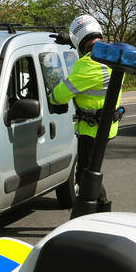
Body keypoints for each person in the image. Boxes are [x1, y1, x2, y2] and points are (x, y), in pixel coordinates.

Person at [50, 14, 122, 203]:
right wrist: (71, 41)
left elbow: (59, 95)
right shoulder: (113, 56)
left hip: (92, 129)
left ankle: (102, 210)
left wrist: (52, 98)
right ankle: (99, 211)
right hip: (108, 125)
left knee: (86, 175)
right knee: (91, 171)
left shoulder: (87, 66)